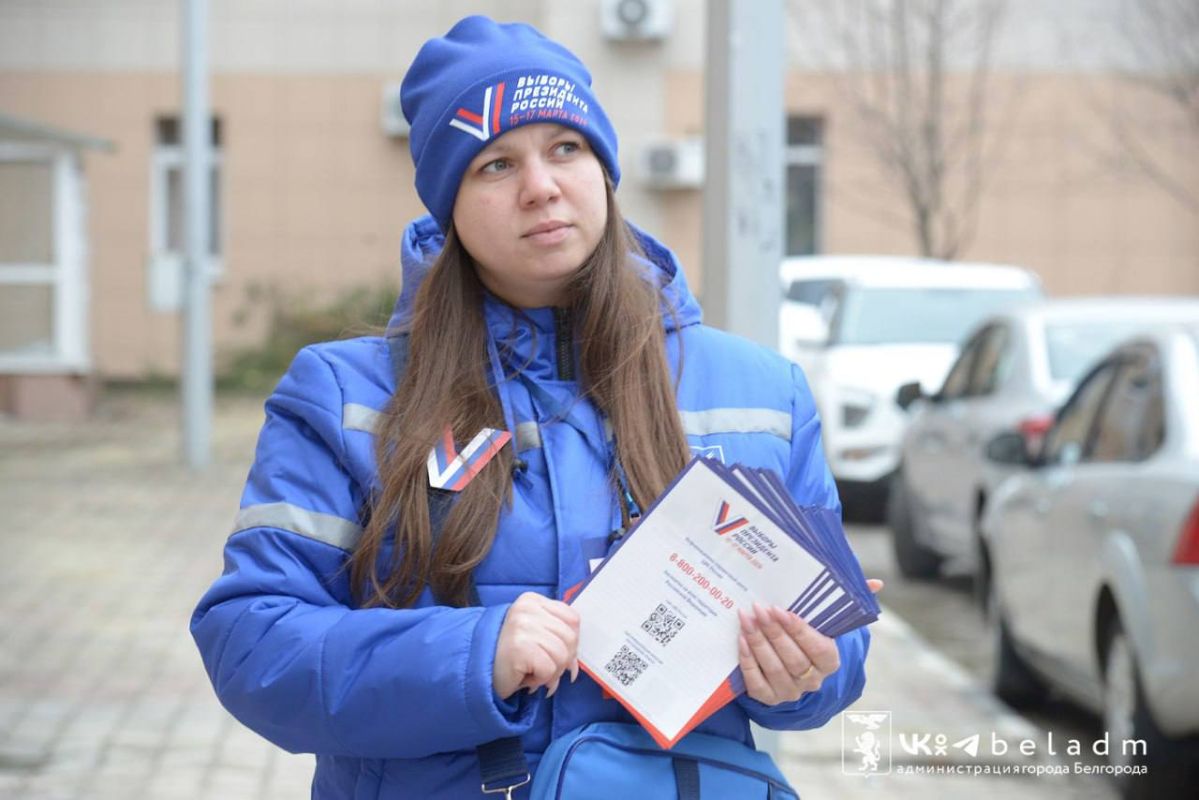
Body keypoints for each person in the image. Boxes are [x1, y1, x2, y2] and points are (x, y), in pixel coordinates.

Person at [191, 15, 875, 799]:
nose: (541, 186)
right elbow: (249, 642)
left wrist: (802, 674)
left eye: (566, 148)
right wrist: (472, 654)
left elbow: (838, 651)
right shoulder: (349, 398)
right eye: (494, 164)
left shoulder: (760, 395)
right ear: (448, 202)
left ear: (604, 169)